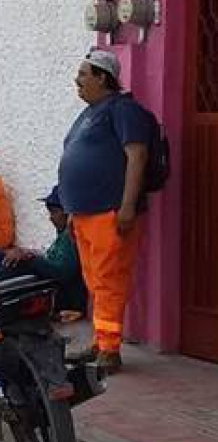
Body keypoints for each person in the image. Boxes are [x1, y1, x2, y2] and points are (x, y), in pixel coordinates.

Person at [59, 49, 152, 374]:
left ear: (103, 77)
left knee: (109, 279)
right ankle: (100, 341)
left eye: (84, 74)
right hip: (85, 214)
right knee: (94, 280)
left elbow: (137, 156)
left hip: (110, 212)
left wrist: (127, 206)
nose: (77, 80)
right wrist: (72, 210)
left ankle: (110, 350)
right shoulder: (90, 113)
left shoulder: (123, 110)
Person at [0, 187, 86, 319]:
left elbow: (62, 273)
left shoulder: (72, 235)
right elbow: (52, 258)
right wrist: (29, 253)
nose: (50, 218)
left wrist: (32, 259)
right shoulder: (63, 234)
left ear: (67, 213)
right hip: (53, 281)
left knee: (19, 262)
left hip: (64, 294)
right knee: (1, 255)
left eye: (54, 212)